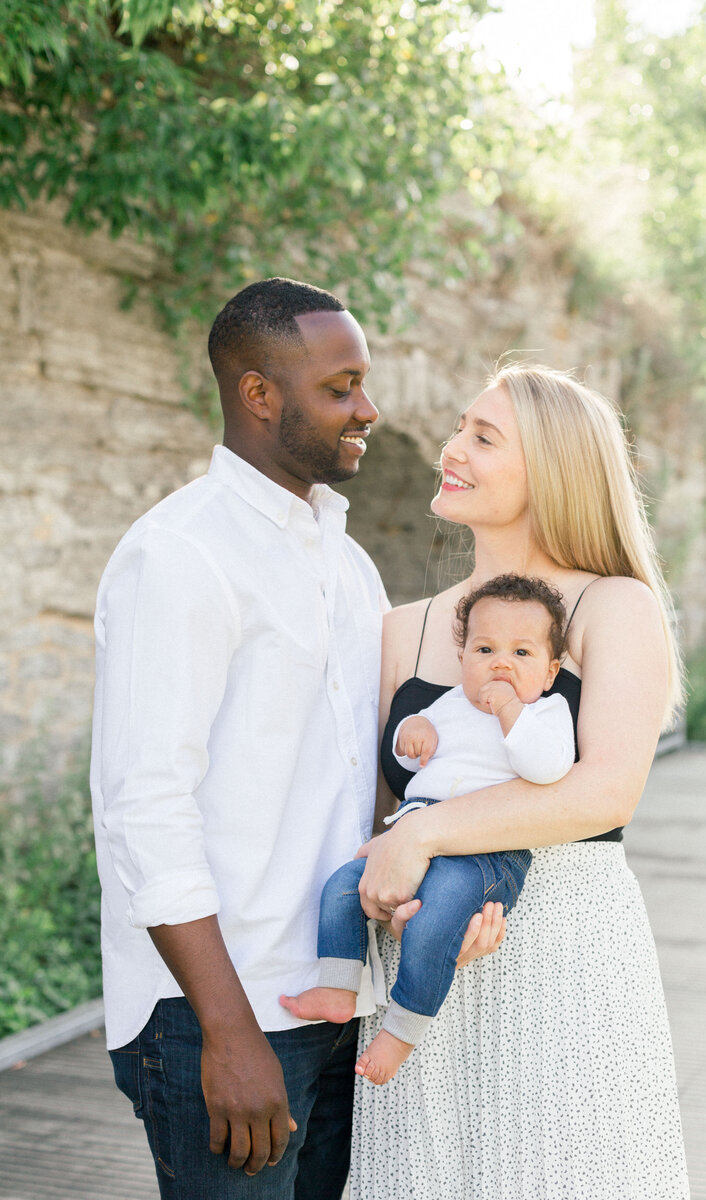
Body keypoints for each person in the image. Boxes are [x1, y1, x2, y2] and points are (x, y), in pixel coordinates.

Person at [349, 364, 691, 1199]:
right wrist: (410, 898)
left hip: (568, 948)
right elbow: (381, 809)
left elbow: (605, 792)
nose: (450, 448)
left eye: (482, 436)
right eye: (460, 427)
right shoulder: (401, 628)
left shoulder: (615, 607)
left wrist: (426, 837)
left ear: (554, 470)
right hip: (425, 958)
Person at [91, 277, 392, 1200]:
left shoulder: (347, 562)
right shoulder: (179, 555)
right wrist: (228, 1031)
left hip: (336, 1001)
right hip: (218, 1016)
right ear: (258, 394)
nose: (366, 409)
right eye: (339, 388)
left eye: (361, 384)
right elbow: (145, 807)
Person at [280, 574, 574, 1084]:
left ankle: (400, 1029)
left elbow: (547, 768)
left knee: (435, 922)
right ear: (463, 659)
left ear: (550, 672)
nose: (501, 663)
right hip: (412, 834)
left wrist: (508, 709)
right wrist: (411, 734)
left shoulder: (545, 713)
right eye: (485, 648)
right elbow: (414, 760)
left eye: (521, 654)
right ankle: (337, 984)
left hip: (485, 852)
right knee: (343, 887)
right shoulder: (450, 705)